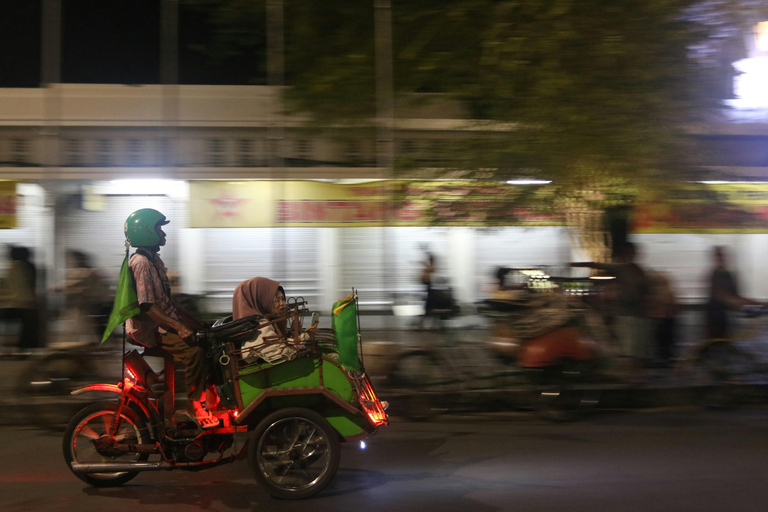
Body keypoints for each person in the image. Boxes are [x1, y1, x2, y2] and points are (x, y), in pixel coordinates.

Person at [122, 208, 216, 428]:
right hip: (149, 328)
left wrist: (194, 322)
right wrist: (179, 328)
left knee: (209, 341)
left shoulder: (155, 260)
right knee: (194, 352)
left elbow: (169, 301)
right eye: (159, 229)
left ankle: (210, 398)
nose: (163, 234)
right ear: (146, 232)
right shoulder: (141, 263)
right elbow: (147, 305)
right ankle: (197, 407)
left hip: (163, 322)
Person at [572, 241, 651, 367]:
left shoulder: (637, 270)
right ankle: (629, 373)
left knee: (637, 347)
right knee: (629, 346)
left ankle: (634, 371)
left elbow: (646, 290)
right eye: (630, 253)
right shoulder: (623, 268)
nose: (632, 255)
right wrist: (577, 264)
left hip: (637, 314)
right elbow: (598, 265)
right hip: (625, 313)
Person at [232, 277, 316, 363]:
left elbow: (277, 343)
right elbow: (282, 353)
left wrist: (294, 333)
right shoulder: (258, 328)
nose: (282, 304)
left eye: (283, 299)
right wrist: (306, 337)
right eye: (276, 300)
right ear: (260, 300)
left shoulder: (264, 321)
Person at [705, 246, 760, 340]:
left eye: (723, 256)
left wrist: (756, 303)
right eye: (719, 256)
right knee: (719, 342)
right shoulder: (715, 275)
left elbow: (735, 296)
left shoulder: (728, 274)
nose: (722, 259)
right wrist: (745, 305)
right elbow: (722, 296)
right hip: (717, 318)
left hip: (728, 317)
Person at [0, 245, 40, 351]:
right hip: (28, 305)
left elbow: (8, 286)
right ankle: (25, 346)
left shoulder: (14, 266)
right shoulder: (30, 266)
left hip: (13, 305)